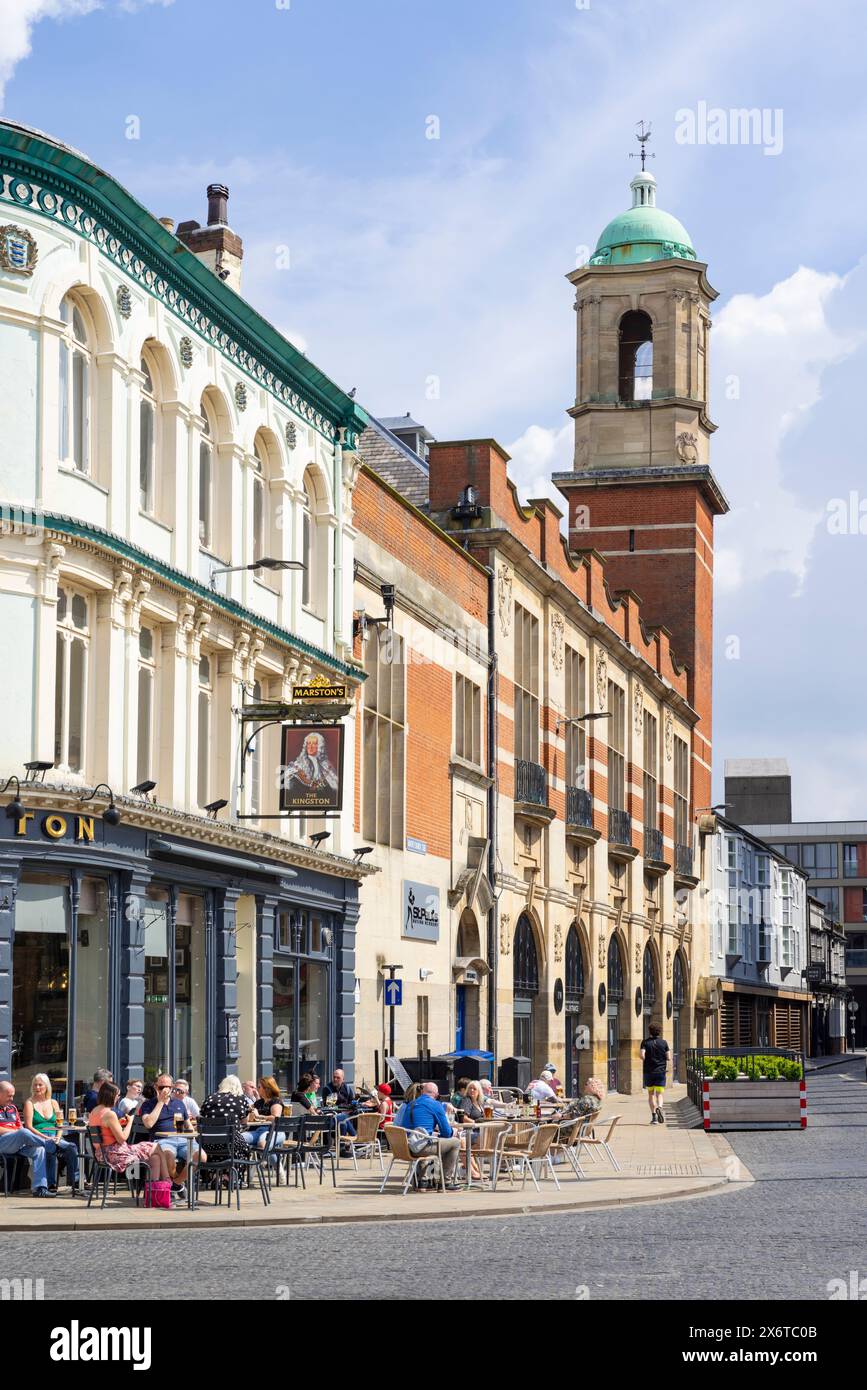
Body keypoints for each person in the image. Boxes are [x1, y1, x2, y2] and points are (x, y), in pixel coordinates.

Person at [89, 1081, 172, 1189]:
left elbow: (105, 1130)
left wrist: (119, 1124)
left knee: (155, 1158)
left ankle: (152, 1192)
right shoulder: (110, 1114)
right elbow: (122, 1138)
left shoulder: (93, 1112)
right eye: (117, 1095)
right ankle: (168, 1181)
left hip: (102, 1154)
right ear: (111, 1096)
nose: (118, 1098)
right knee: (156, 1146)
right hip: (116, 1154)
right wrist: (130, 1122)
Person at [139, 1073, 200, 1202]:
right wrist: (160, 1102)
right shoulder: (148, 1104)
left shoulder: (179, 1103)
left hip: (182, 1139)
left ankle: (175, 1184)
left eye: (168, 1087)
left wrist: (193, 1135)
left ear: (172, 1087)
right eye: (161, 1087)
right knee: (168, 1156)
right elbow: (148, 1123)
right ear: (156, 1087)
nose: (165, 1090)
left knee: (201, 1156)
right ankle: (172, 1186)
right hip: (162, 1140)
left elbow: (188, 1126)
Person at [395, 1082, 462, 1189]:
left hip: (406, 1147)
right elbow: (446, 1132)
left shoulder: (410, 1104)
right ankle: (446, 1181)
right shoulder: (436, 1105)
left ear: (422, 1092)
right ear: (436, 1094)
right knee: (454, 1143)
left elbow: (407, 1128)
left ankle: (424, 1181)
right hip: (421, 1148)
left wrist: (433, 1133)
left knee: (434, 1140)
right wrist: (453, 1131)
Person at [23, 1074, 82, 1194]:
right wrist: (46, 1137)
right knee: (49, 1149)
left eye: (40, 1085)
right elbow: (28, 1126)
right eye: (35, 1085)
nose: (37, 1087)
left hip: (54, 1137)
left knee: (71, 1147)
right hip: (37, 1137)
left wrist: (58, 1137)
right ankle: (51, 1184)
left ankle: (75, 1181)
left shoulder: (53, 1102)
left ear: (46, 1086)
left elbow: (60, 1124)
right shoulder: (29, 1103)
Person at [0, 1079, 55, 1197]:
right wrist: (16, 1132)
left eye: (13, 1096)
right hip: (3, 1143)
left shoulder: (12, 1108)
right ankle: (49, 1144)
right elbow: (18, 1130)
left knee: (39, 1150)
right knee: (24, 1132)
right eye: (9, 1096)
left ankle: (40, 1188)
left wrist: (19, 1132)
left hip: (19, 1143)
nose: (12, 1099)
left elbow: (20, 1126)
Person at [198, 1075, 255, 1166]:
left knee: (219, 1150)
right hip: (230, 1142)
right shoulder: (241, 1099)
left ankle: (213, 1175)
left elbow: (202, 1116)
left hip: (207, 1142)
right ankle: (231, 1175)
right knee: (243, 1148)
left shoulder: (210, 1098)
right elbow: (244, 1122)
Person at [242, 1077, 284, 1151]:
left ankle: (271, 1162)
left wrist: (259, 1116)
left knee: (263, 1144)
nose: (256, 1089)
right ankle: (241, 1162)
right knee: (238, 1138)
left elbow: (276, 1118)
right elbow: (250, 1119)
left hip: (274, 1131)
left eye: (259, 1087)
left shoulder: (276, 1101)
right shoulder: (259, 1102)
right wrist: (249, 1112)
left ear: (266, 1088)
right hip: (258, 1131)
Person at [640, 1024, 670, 1123]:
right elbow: (668, 1057)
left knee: (651, 1094)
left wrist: (647, 1058)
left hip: (649, 1071)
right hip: (661, 1071)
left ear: (650, 1031)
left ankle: (654, 1118)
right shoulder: (664, 1043)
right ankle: (660, 1107)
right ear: (659, 1032)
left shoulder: (645, 1042)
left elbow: (642, 1056)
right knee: (659, 1093)